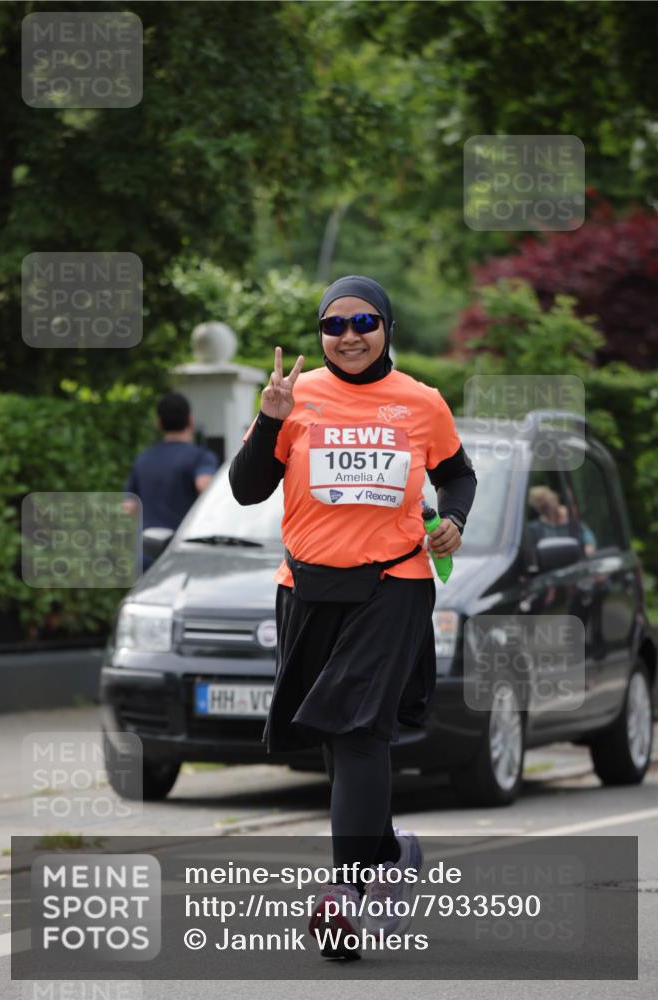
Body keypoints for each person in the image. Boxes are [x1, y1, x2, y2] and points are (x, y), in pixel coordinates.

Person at [229, 274, 477, 960]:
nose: (348, 337)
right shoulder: (294, 397)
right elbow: (248, 491)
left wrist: (451, 517)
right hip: (306, 587)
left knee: (359, 728)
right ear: (320, 334)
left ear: (386, 326)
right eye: (333, 325)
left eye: (363, 321)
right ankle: (392, 855)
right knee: (335, 739)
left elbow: (457, 474)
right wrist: (271, 419)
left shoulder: (421, 403)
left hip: (392, 583)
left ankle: (344, 894)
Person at [123, 392, 220, 570]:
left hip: (146, 555)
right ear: (190, 420)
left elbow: (128, 507)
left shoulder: (144, 458)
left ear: (158, 423)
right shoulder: (200, 457)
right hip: (183, 554)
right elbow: (204, 485)